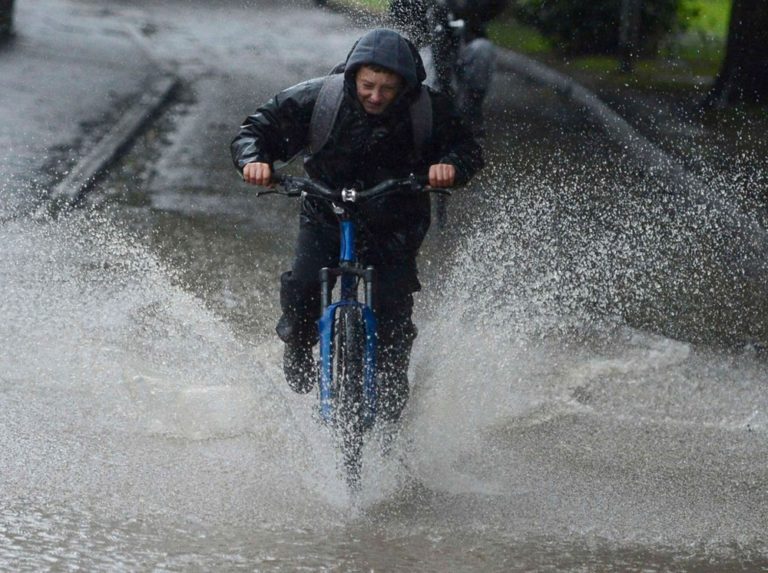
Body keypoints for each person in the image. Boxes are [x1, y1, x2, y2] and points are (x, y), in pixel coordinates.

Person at [231, 28, 483, 424]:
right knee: (303, 285)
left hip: (396, 216)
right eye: (368, 85)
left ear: (406, 86)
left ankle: (390, 382)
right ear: (353, 77)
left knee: (393, 306)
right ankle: (297, 342)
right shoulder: (319, 97)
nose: (376, 97)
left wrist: (451, 167)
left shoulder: (429, 109)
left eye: (387, 88)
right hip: (325, 209)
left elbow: (468, 147)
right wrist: (255, 162)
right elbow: (255, 131)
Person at [389, 0, 508, 136]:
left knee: (483, 50)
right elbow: (398, 12)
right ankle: (425, 111)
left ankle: (469, 113)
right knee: (425, 63)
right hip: (428, 47)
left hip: (466, 44)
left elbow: (492, 9)